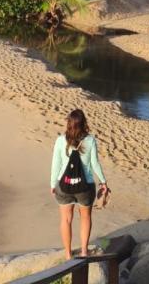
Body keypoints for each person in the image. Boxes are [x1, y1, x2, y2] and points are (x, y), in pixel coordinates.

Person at [49, 109, 107, 259]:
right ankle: (83, 252)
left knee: (66, 219)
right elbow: (95, 164)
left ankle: (68, 254)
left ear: (69, 123)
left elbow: (56, 164)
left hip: (64, 185)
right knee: (85, 218)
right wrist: (103, 181)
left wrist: (52, 184)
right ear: (84, 124)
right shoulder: (90, 140)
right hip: (85, 187)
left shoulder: (61, 140)